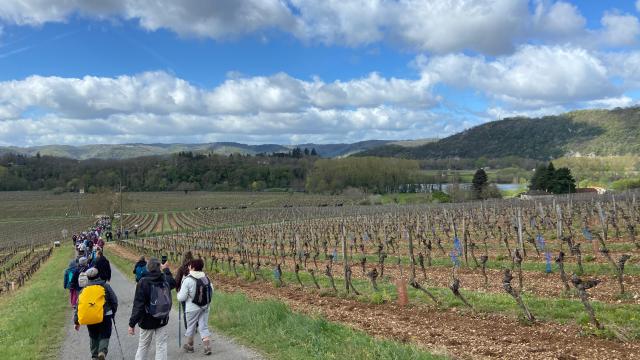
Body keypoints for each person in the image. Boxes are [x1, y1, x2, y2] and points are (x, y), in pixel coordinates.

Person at [128, 258, 177, 360]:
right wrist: (166, 269)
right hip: (162, 318)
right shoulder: (164, 279)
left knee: (143, 346)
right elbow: (173, 282)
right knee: (161, 346)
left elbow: (138, 305)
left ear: (147, 268)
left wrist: (132, 323)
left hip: (147, 320)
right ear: (159, 267)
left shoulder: (143, 282)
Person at [74, 268, 118, 360]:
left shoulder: (84, 289)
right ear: (98, 276)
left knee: (93, 335)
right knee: (105, 334)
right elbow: (114, 300)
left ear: (88, 278)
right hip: (105, 315)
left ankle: (94, 356)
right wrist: (113, 312)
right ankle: (102, 351)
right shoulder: (105, 286)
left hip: (91, 316)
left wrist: (76, 321)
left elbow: (78, 305)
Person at [177, 259, 213, 355]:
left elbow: (181, 297)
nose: (188, 267)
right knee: (203, 326)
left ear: (193, 267)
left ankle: (190, 346)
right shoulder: (206, 278)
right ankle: (207, 347)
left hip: (192, 308)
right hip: (205, 306)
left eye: (190, 266)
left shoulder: (188, 279)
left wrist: (178, 294)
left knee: (191, 326)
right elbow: (211, 290)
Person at [174, 251, 194, 330]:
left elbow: (177, 281)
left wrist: (177, 289)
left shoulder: (181, 268)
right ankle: (194, 326)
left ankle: (188, 327)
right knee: (194, 309)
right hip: (194, 291)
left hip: (184, 292)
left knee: (185, 310)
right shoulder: (195, 267)